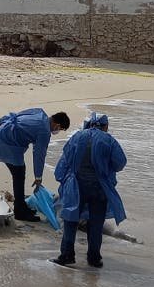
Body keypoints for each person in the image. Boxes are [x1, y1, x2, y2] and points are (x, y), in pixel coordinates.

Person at [52, 112, 127, 268]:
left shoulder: (77, 137)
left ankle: (67, 255)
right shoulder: (109, 140)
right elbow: (120, 163)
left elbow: (64, 162)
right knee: (96, 223)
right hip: (99, 187)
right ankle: (94, 258)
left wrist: (63, 181)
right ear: (105, 126)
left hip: (76, 186)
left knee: (70, 220)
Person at [0, 108, 71, 221]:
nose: (57, 131)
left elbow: (20, 115)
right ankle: (20, 211)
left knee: (19, 172)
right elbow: (39, 154)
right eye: (60, 129)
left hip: (0, 132)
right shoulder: (44, 131)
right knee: (19, 174)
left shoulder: (40, 113)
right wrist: (38, 177)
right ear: (57, 125)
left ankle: (21, 205)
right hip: (6, 142)